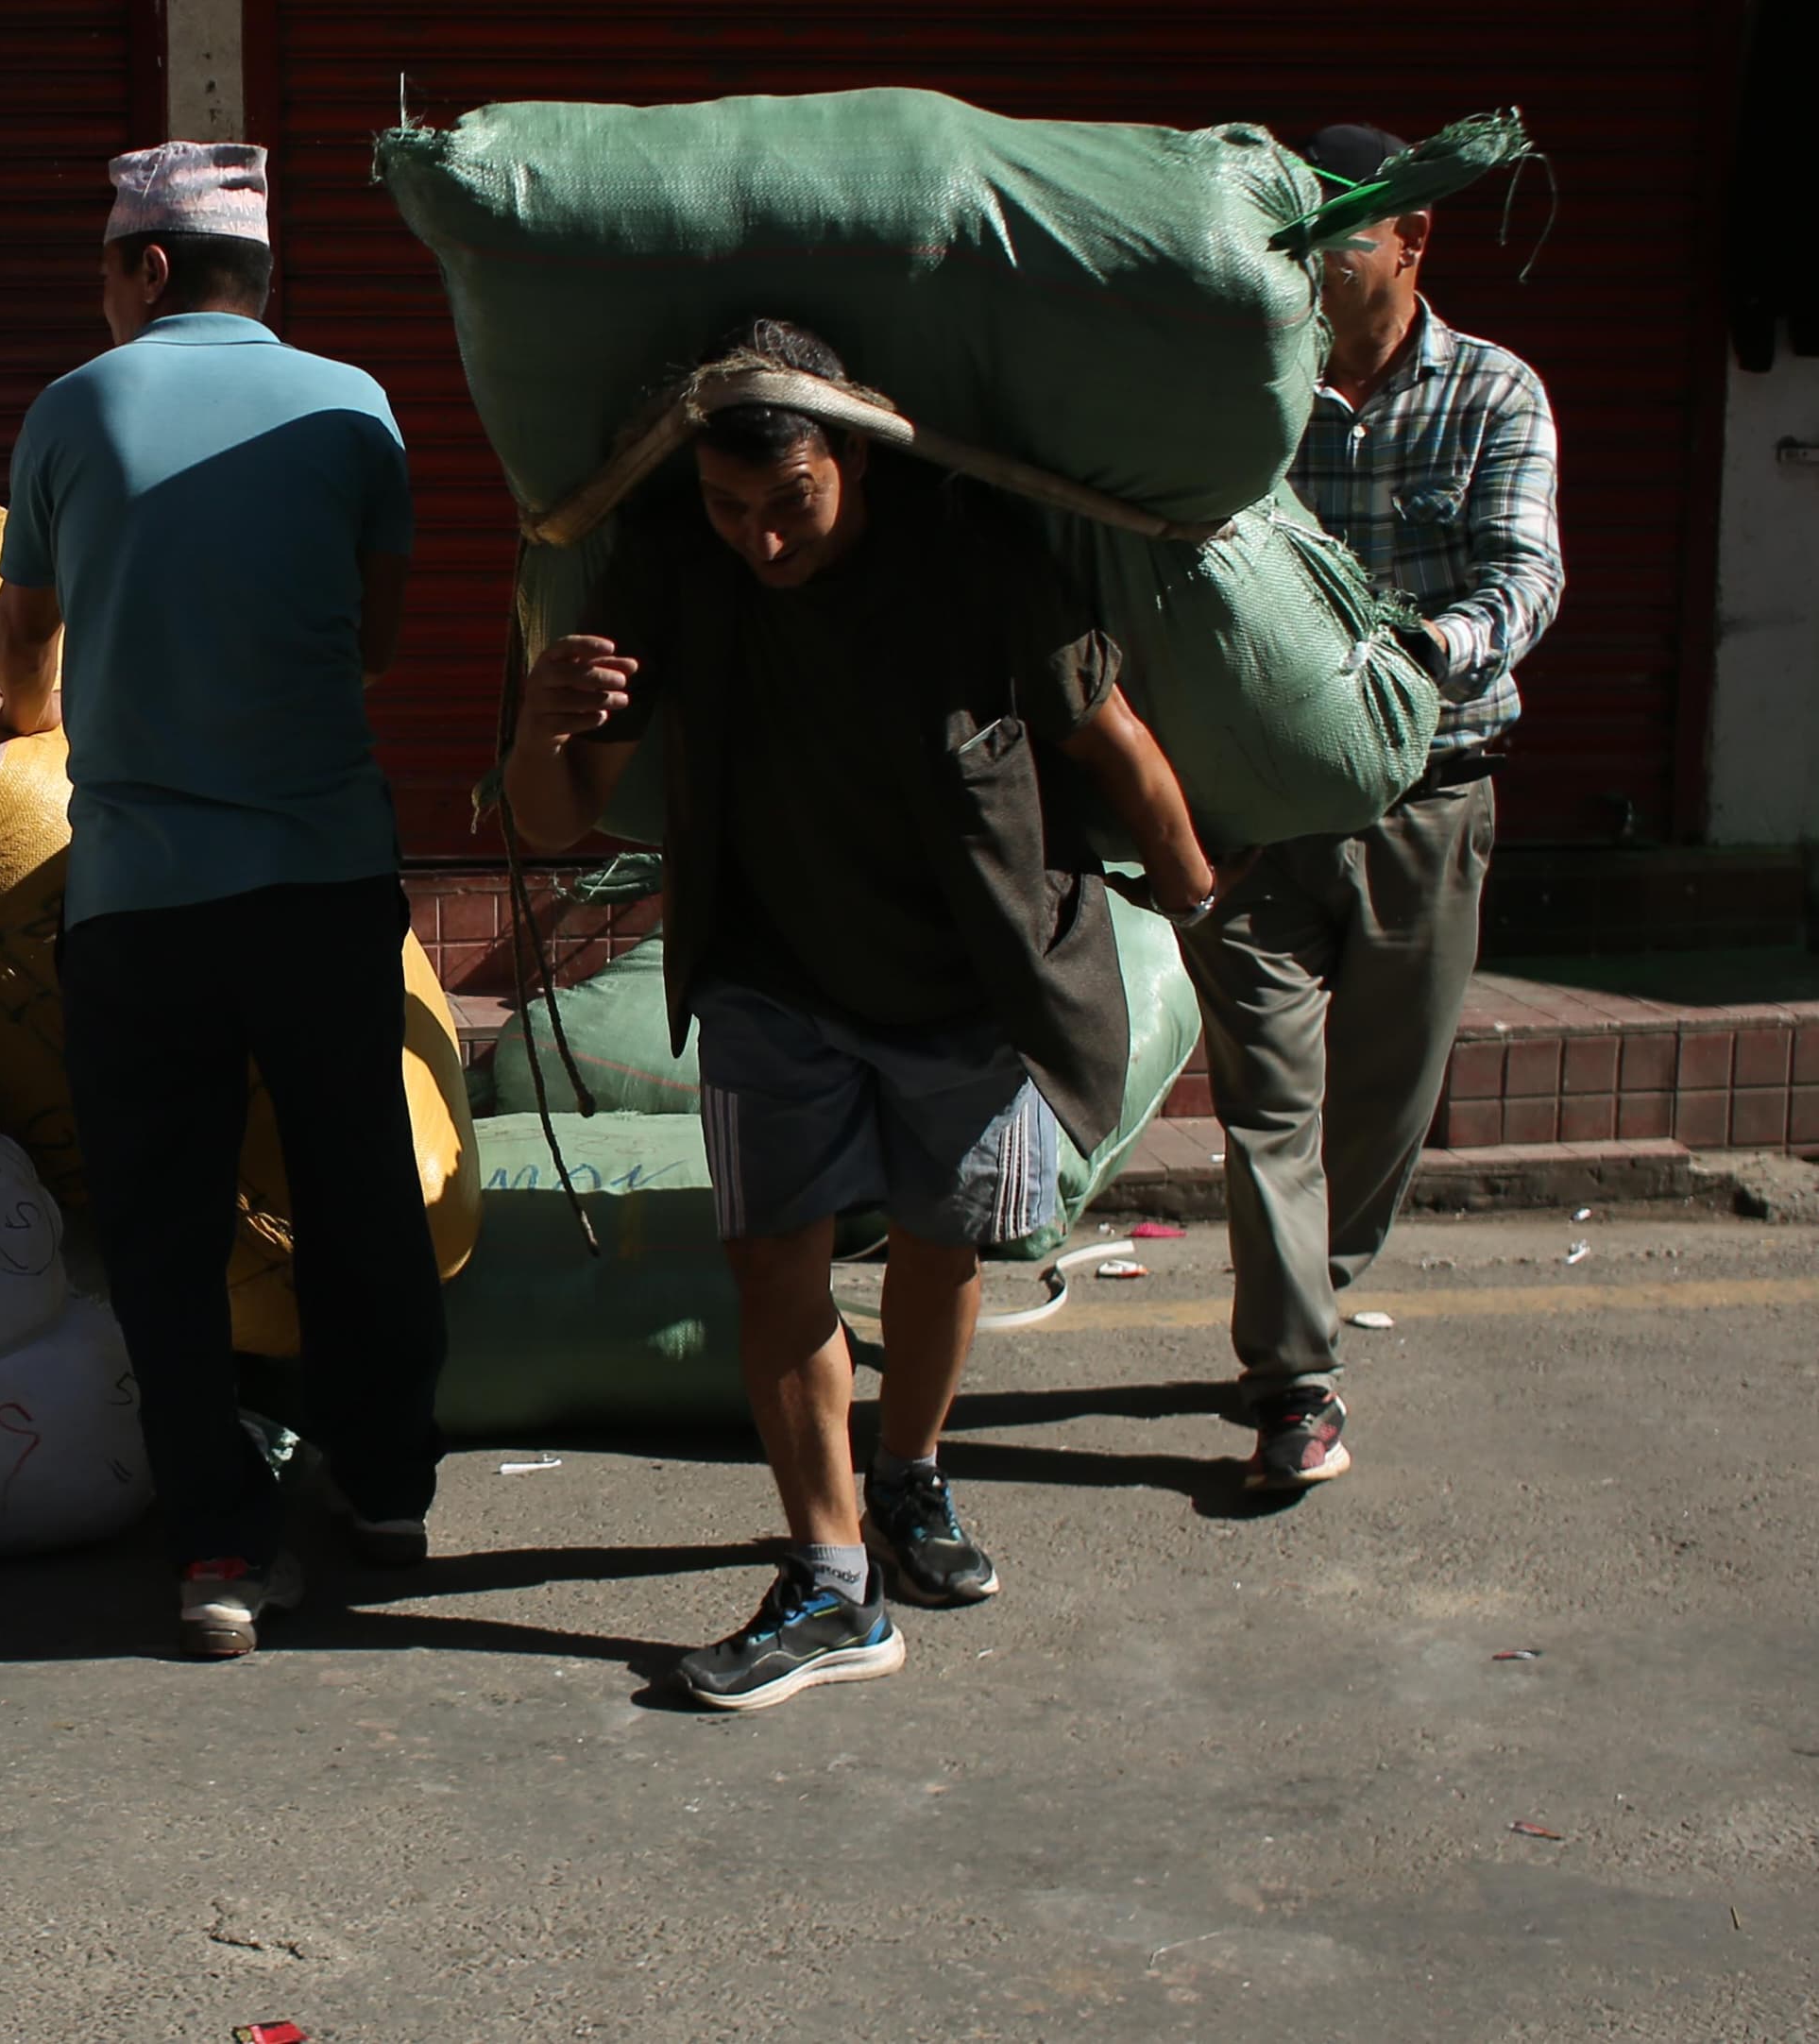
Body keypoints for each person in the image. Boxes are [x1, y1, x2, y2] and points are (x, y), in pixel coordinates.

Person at [501, 321, 1233, 1712]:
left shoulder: (974, 562)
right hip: (768, 978)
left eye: (791, 508)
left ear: (854, 463)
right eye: (730, 509)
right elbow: (559, 813)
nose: (762, 545)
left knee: (939, 1242)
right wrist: (541, 726)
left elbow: (1114, 741)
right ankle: (833, 1580)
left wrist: (1202, 905)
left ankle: (910, 1474)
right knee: (771, 1265)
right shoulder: (672, 570)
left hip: (964, 984)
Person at [0, 141, 443, 1661]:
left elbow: (26, 635)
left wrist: (31, 711)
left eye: (105, 269)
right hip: (326, 885)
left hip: (145, 909)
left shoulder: (74, 408)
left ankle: (219, 1550)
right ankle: (393, 1488)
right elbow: (371, 639)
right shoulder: (359, 405)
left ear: (150, 270)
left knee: (162, 1228)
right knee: (359, 1191)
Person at [1181, 125, 1560, 1496]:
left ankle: (1315, 1288)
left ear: (1411, 241)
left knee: (1384, 1105)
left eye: (1337, 235)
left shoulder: (1494, 394)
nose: (1309, 264)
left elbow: (1525, 581)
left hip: (1430, 796)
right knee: (1267, 1100)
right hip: (1266, 813)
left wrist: (1414, 659)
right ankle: (1297, 1377)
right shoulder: (1246, 396)